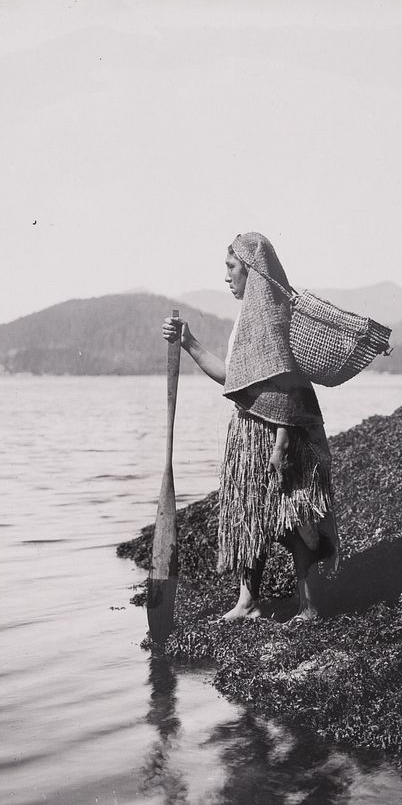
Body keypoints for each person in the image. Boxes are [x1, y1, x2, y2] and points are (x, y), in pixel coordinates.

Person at [162, 232, 338, 622]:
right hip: (248, 432)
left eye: (231, 268)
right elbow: (233, 378)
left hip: (280, 436)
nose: (226, 277)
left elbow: (287, 388)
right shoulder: (247, 320)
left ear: (252, 271)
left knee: (292, 518)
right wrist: (189, 343)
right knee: (250, 516)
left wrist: (281, 445)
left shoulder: (274, 319)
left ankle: (308, 605)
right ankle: (248, 601)